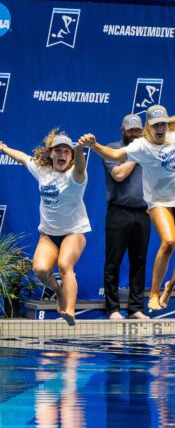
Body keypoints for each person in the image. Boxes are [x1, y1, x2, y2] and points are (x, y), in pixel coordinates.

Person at [84, 105, 175, 311]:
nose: (160, 128)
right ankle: (153, 294)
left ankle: (169, 286)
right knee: (169, 241)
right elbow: (115, 154)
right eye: (155, 125)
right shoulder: (141, 146)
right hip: (157, 202)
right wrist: (94, 146)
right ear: (149, 127)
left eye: (162, 123)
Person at [0, 131, 90, 326]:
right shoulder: (42, 171)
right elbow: (23, 158)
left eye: (67, 151)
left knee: (65, 265)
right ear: (51, 154)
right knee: (40, 270)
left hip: (73, 232)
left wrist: (80, 149)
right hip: (48, 235)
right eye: (58, 150)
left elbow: (81, 168)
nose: (62, 154)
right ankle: (58, 291)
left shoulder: (74, 176)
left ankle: (70, 310)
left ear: (71, 156)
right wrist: (4, 148)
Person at [102, 114, 151, 320]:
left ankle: (136, 308)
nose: (134, 134)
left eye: (137, 131)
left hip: (143, 212)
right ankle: (113, 309)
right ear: (122, 130)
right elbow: (119, 175)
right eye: (130, 130)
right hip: (119, 211)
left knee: (139, 262)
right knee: (113, 262)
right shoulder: (112, 150)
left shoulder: (147, 150)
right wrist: (136, 153)